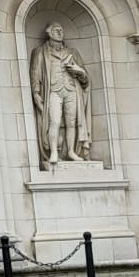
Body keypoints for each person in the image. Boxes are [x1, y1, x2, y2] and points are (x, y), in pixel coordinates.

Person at [29, 22, 92, 169]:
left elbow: (85, 77)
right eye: (56, 30)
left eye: (61, 30)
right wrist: (36, 92)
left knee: (72, 123)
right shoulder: (40, 52)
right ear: (48, 32)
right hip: (53, 90)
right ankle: (53, 152)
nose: (59, 32)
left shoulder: (72, 52)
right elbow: (35, 73)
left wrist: (78, 70)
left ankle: (70, 151)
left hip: (71, 89)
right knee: (55, 121)